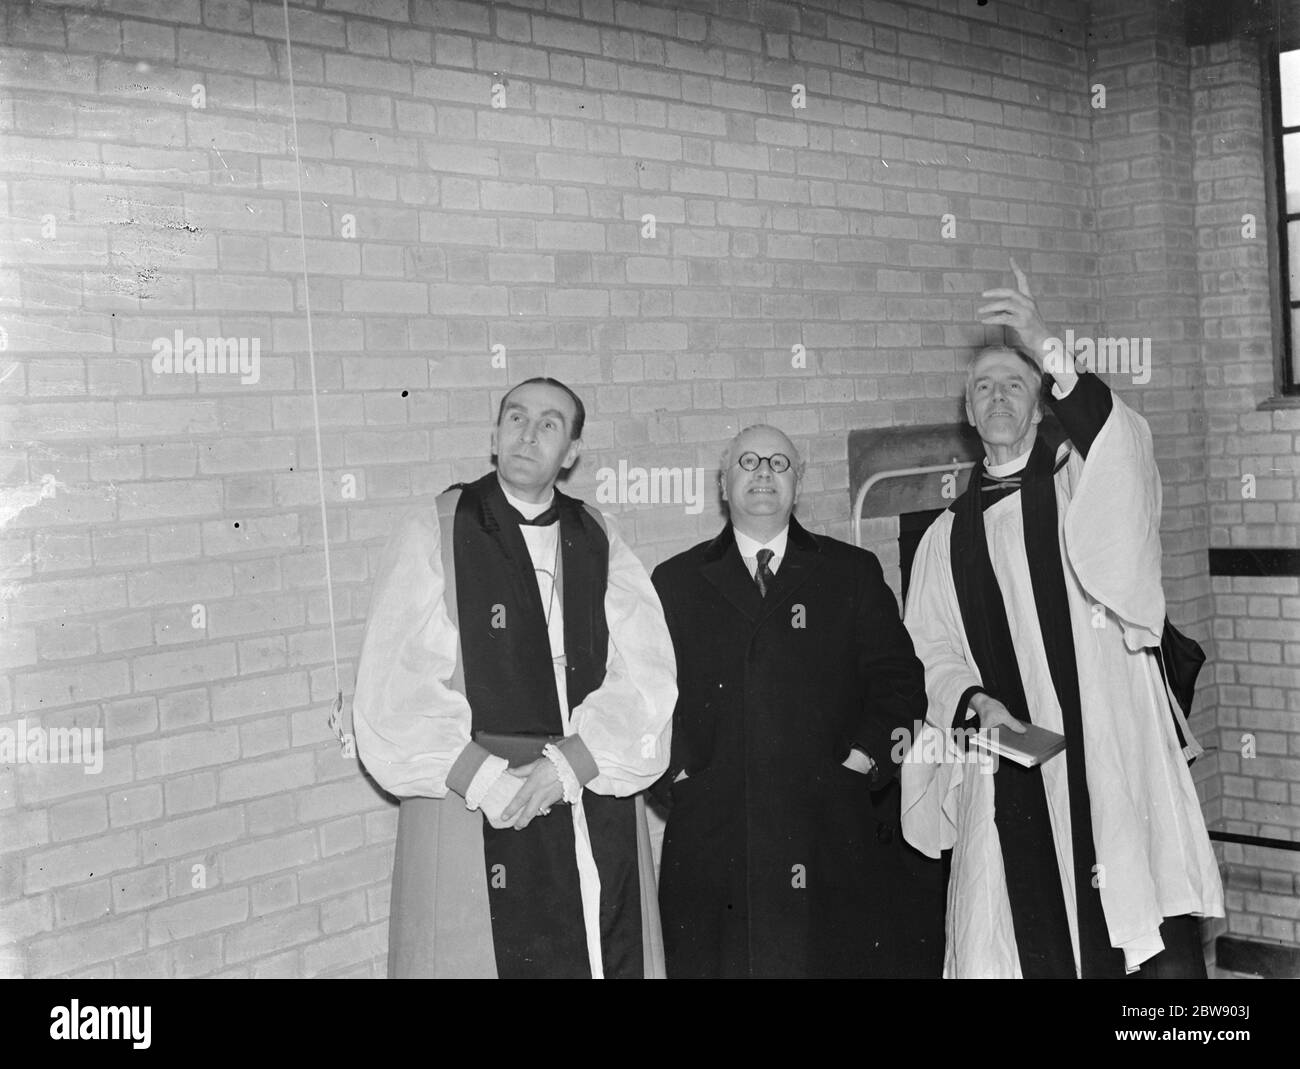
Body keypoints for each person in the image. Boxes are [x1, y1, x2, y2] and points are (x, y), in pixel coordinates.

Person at [901, 261, 1224, 978]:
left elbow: (1121, 440)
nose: (997, 397)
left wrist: (1047, 344)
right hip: (1015, 760)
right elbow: (930, 649)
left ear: (1041, 402)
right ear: (967, 409)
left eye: (1014, 383)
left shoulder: (1083, 483)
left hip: (1111, 741)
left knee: (1149, 944)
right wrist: (971, 699)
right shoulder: (943, 538)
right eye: (982, 386)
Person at [352, 377, 677, 978]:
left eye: (549, 423)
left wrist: (571, 764)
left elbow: (647, 676)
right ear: (494, 436)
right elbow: (393, 689)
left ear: (572, 452)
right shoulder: (437, 528)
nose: (528, 434)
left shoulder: (598, 536)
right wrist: (488, 781)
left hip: (585, 793)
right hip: (475, 803)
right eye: (515, 418)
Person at [650, 424, 930, 977]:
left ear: (797, 485)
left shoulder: (850, 572)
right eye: (748, 462)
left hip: (826, 828)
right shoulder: (675, 581)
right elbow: (648, 697)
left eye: (779, 464)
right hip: (716, 837)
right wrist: (678, 772)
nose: (763, 473)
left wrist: (864, 760)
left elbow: (901, 683)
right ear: (723, 484)